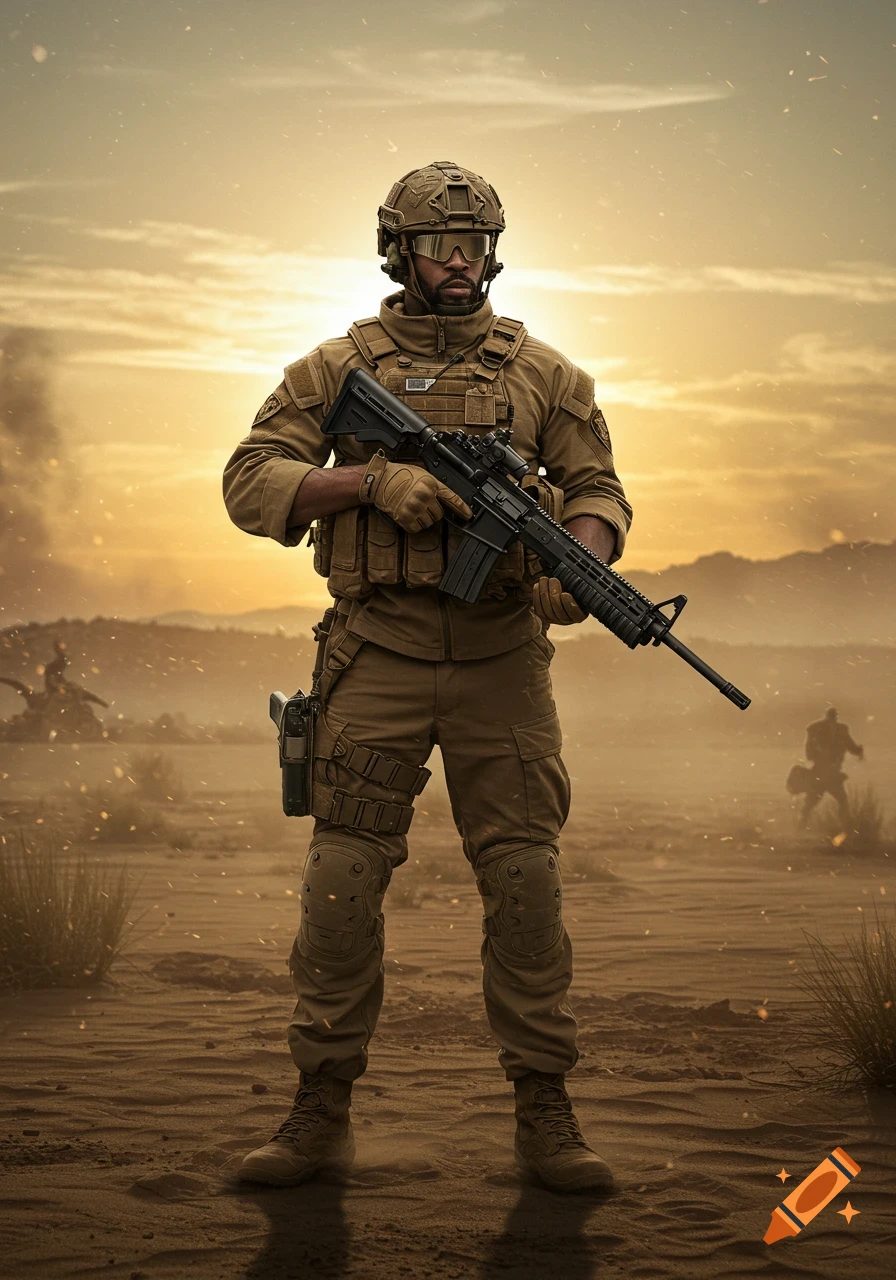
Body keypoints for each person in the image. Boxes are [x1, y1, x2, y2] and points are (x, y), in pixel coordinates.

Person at [223, 161, 633, 1194]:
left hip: (501, 660)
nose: (457, 261)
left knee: (526, 881)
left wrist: (577, 561)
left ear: (494, 248)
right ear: (396, 250)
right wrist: (370, 479)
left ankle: (544, 1107)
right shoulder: (335, 368)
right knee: (342, 879)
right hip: (378, 652)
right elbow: (249, 477)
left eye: (471, 243)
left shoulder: (546, 375)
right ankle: (319, 1109)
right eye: (435, 243)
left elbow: (594, 487)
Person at [798, 706, 864, 829]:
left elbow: (850, 744)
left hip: (830, 773)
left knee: (839, 800)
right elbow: (810, 750)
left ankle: (847, 827)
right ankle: (800, 826)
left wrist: (858, 751)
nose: (832, 719)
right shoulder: (817, 730)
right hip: (821, 772)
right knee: (814, 801)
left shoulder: (841, 730)